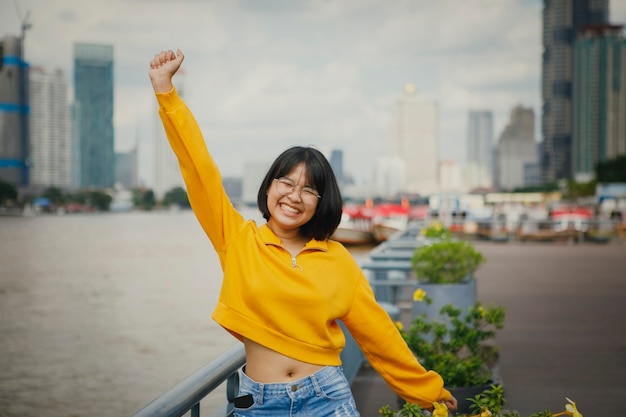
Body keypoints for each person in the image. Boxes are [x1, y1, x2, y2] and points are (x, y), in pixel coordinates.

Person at [149, 49, 457, 417]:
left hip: (327, 398)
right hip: (260, 405)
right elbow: (199, 168)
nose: (294, 196)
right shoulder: (238, 239)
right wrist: (166, 93)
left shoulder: (338, 260)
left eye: (309, 189)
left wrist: (428, 391)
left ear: (320, 202)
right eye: (286, 182)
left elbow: (378, 336)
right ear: (268, 188)